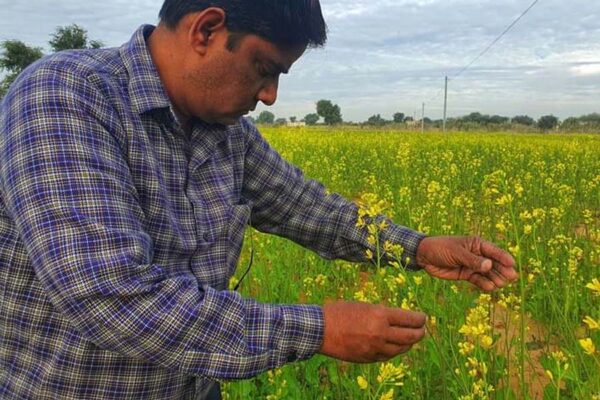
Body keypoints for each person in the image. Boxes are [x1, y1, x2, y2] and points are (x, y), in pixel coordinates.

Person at [0, 1, 517, 399]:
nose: (269, 95)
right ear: (206, 29)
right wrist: (319, 329)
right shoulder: (66, 95)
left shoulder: (225, 133)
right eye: (263, 68)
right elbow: (110, 297)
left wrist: (420, 248)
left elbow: (313, 211)